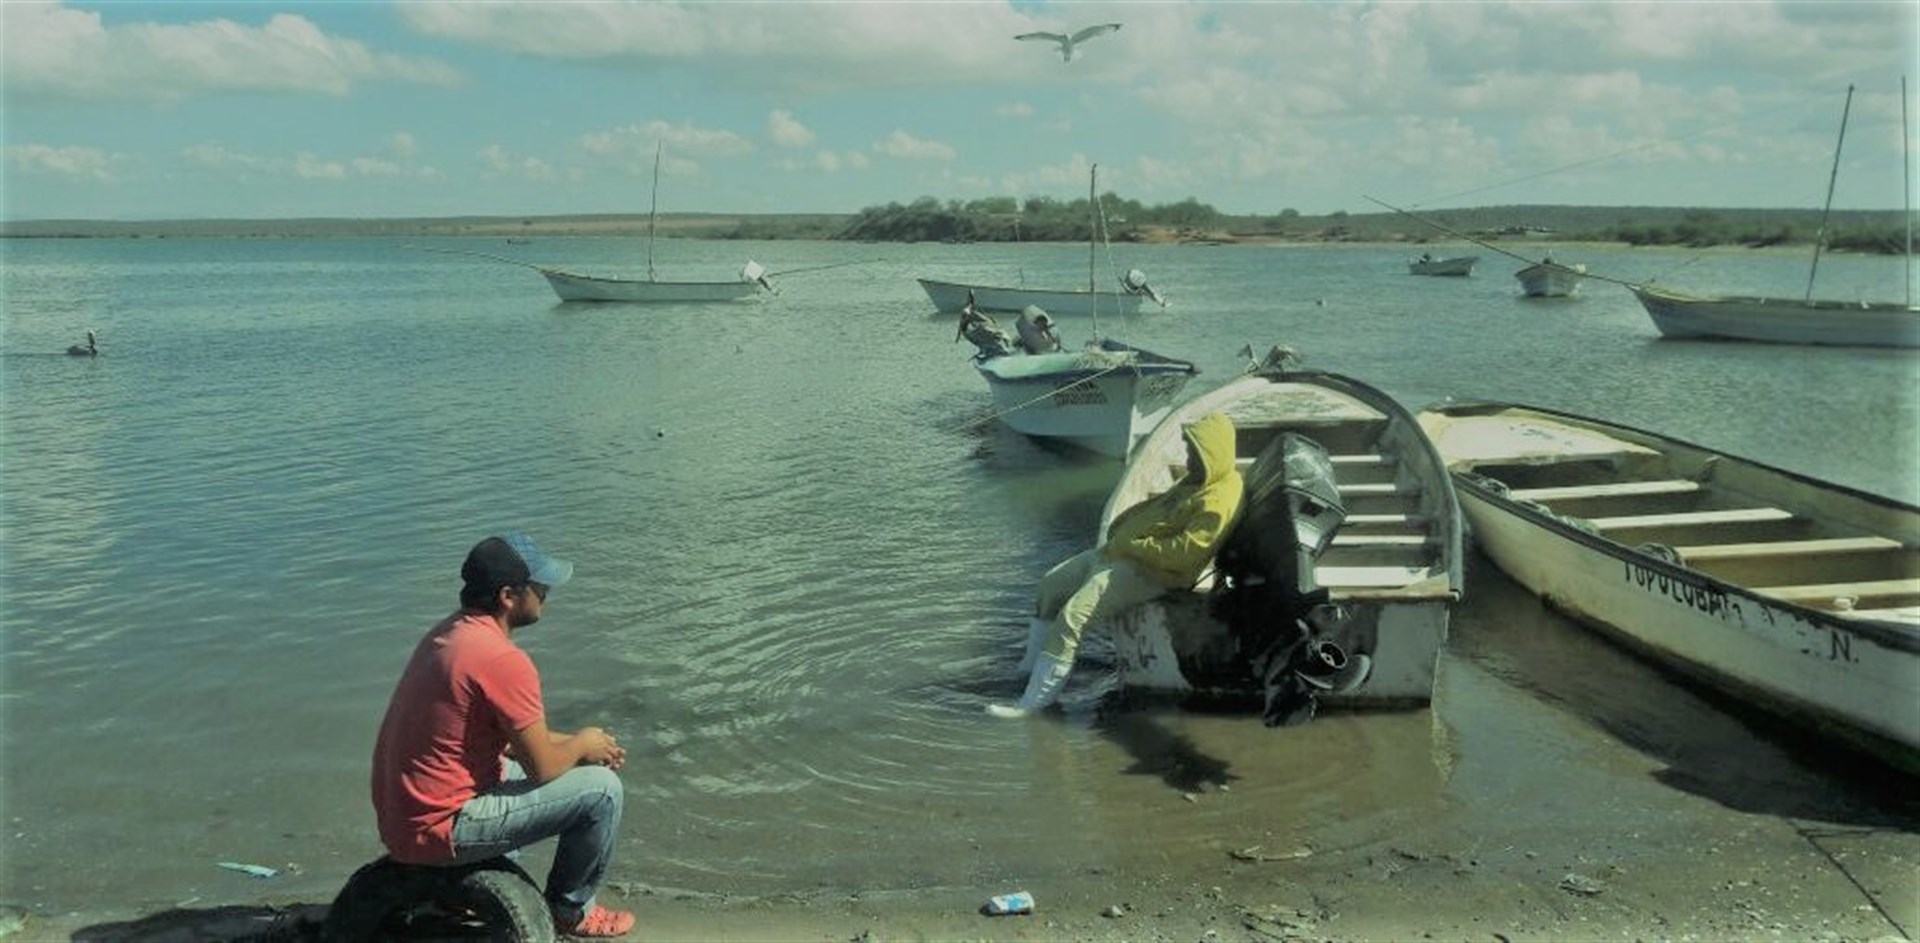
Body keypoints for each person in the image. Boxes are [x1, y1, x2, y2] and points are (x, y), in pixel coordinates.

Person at [371, 532, 635, 938]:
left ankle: (473, 882)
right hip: (440, 825)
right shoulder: (503, 660)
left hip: (405, 820)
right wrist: (582, 743)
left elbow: (501, 738)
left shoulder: (450, 635)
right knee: (603, 790)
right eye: (539, 587)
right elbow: (543, 766)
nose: (546, 593)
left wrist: (582, 747)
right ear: (509, 596)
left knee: (528, 765)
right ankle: (571, 911)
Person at [988, 412, 1245, 717]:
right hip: (1119, 553)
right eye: (1189, 449)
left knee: (1073, 616)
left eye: (1194, 450)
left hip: (1152, 572)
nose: (1188, 456)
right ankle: (1029, 669)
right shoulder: (1197, 479)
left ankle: (1034, 702)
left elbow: (1184, 555)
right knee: (1051, 586)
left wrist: (1133, 545)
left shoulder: (1217, 500)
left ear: (1213, 453)